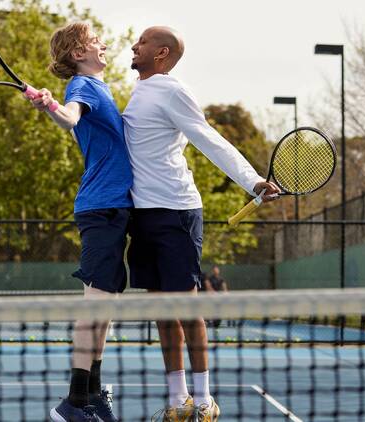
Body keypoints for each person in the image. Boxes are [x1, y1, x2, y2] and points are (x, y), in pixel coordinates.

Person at [122, 26, 280, 422]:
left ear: (161, 53)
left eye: (140, 42)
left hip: (176, 212)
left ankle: (205, 401)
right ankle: (179, 402)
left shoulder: (173, 91)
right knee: (161, 310)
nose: (133, 46)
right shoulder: (140, 89)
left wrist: (252, 180)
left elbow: (210, 139)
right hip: (144, 215)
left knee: (187, 309)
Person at [29, 22, 132, 422]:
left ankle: (91, 396)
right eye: (94, 42)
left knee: (104, 307)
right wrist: (52, 106)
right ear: (77, 54)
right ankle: (73, 403)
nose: (103, 45)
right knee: (95, 306)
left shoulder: (100, 87)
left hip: (113, 208)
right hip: (101, 207)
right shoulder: (83, 87)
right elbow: (71, 118)